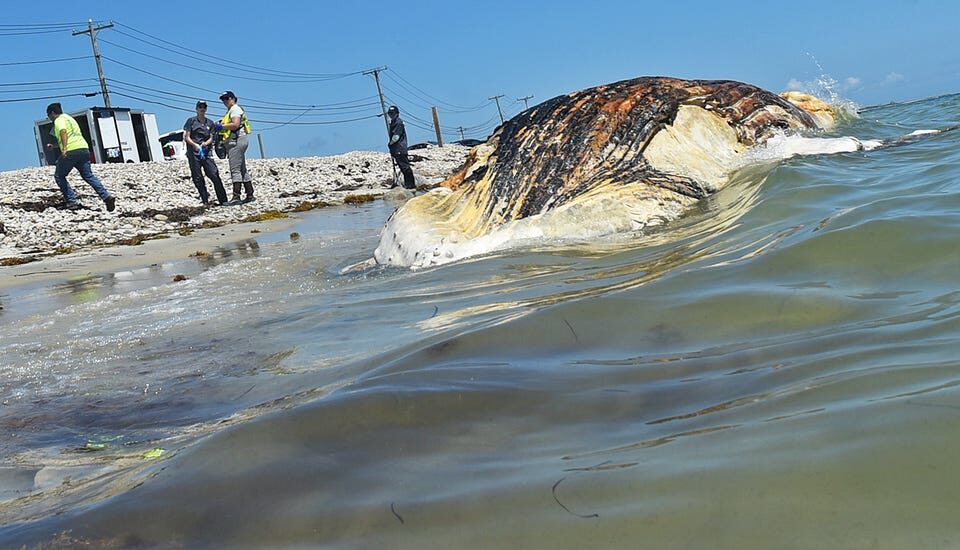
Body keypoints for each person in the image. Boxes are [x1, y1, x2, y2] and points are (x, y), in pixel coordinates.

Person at [45, 102, 116, 212]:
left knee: (59, 176)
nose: (49, 118)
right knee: (88, 175)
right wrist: (54, 145)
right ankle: (106, 196)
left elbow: (63, 132)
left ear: (53, 113)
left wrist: (64, 149)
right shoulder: (70, 118)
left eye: (48, 115)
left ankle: (72, 201)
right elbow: (70, 135)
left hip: (71, 150)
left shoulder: (58, 120)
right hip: (83, 149)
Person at [183, 100, 229, 206]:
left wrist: (205, 143)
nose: (202, 109)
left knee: (214, 174)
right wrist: (195, 145)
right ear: (197, 109)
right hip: (194, 152)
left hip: (206, 152)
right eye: (200, 107)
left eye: (204, 107)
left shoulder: (210, 123)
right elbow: (187, 137)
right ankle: (205, 201)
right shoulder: (191, 121)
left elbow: (211, 138)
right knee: (198, 177)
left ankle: (223, 200)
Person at [216, 91, 254, 203]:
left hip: (236, 141)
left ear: (233, 98)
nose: (225, 101)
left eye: (227, 98)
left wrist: (221, 126)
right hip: (239, 140)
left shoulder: (235, 109)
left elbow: (236, 124)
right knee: (242, 168)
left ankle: (236, 197)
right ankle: (250, 194)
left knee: (235, 169)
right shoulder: (232, 110)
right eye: (223, 99)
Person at [386, 105, 416, 189]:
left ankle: (410, 185)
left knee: (405, 167)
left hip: (400, 148)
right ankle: (409, 184)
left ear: (397, 114)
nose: (391, 115)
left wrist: (390, 143)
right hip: (396, 150)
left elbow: (396, 136)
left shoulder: (398, 123)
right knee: (403, 167)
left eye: (393, 113)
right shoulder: (393, 122)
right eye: (390, 113)